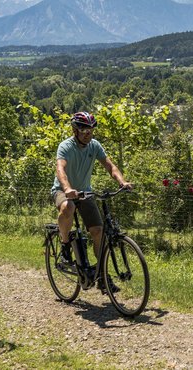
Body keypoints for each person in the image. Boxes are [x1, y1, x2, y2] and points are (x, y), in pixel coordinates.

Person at [52, 112, 132, 291]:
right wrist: (67, 189)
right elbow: (60, 169)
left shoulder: (94, 146)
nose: (88, 134)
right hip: (64, 190)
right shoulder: (65, 146)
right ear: (75, 130)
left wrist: (122, 182)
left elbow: (110, 166)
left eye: (91, 130)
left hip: (85, 193)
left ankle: (102, 275)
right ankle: (65, 247)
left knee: (98, 231)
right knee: (68, 206)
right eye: (83, 130)